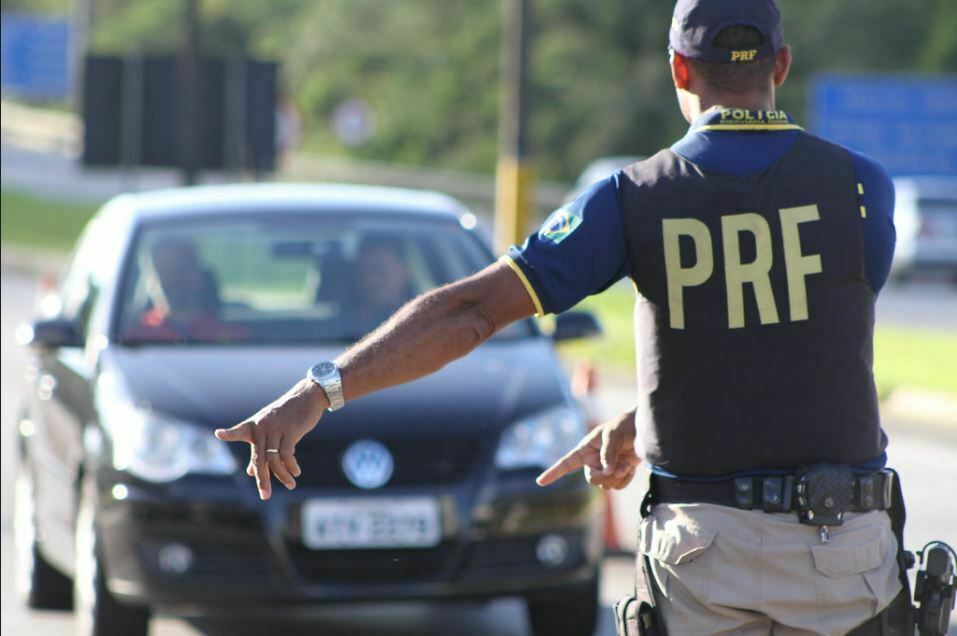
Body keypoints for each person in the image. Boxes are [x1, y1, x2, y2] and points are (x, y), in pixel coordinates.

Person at [215, 0, 904, 632]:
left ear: (678, 68)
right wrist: (645, 421)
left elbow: (472, 311)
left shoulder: (632, 196)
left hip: (705, 552)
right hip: (839, 548)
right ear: (780, 64)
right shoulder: (859, 185)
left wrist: (319, 391)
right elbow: (799, 348)